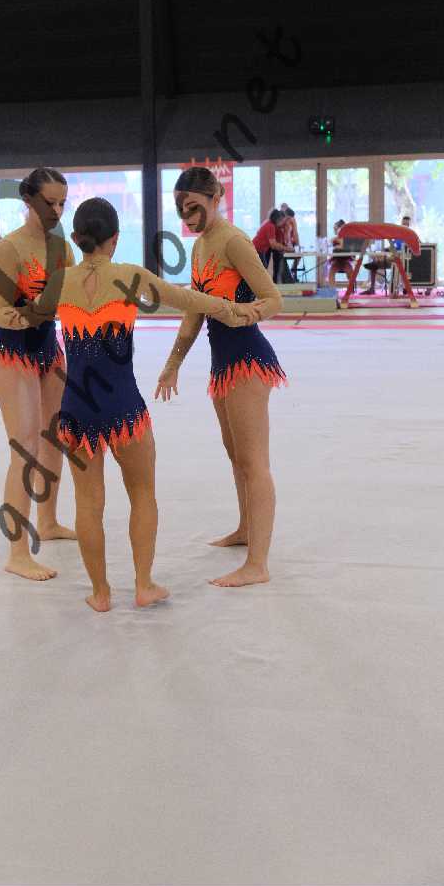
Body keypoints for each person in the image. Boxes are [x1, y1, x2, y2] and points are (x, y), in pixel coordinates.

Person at [26, 197, 261, 612]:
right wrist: (236, 309)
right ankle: (143, 584)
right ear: (115, 239)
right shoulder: (130, 276)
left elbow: (28, 316)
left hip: (77, 409)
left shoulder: (60, 282)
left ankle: (100, 593)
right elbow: (188, 299)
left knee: (88, 503)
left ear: (77, 238)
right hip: (123, 407)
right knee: (142, 494)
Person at [156, 167, 286, 588]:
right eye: (181, 209)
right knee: (236, 456)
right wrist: (174, 361)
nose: (188, 216)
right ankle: (246, 529)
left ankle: (258, 564)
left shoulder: (233, 241)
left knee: (254, 462)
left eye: (194, 207)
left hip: (247, 360)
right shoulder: (199, 247)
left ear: (216, 198)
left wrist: (245, 313)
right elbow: (194, 310)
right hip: (223, 364)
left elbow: (273, 299)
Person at [0, 168, 77, 581]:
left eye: (62, 203)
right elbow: (4, 314)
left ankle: (49, 520)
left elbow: (72, 298)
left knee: (55, 435)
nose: (56, 210)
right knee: (24, 446)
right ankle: (17, 552)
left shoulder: (62, 247)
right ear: (28, 201)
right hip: (12, 350)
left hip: (47, 347)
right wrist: (42, 308)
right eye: (48, 203)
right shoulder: (9, 249)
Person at [252, 209, 289, 283]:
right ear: (277, 219)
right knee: (262, 271)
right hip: (257, 249)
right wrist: (286, 248)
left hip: (260, 250)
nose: (282, 222)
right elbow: (273, 244)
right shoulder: (270, 226)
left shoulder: (271, 225)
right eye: (281, 220)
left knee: (263, 270)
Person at [327, 218, 358, 287]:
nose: (334, 231)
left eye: (335, 229)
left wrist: (340, 245)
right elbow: (329, 246)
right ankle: (332, 289)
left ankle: (351, 289)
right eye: (334, 229)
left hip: (346, 261)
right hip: (336, 261)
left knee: (350, 272)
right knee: (331, 272)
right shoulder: (334, 239)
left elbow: (351, 249)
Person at [278, 203, 300, 281]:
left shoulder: (291, 220)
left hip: (288, 244)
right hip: (280, 245)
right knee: (281, 256)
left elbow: (295, 234)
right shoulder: (279, 220)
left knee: (298, 255)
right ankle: (286, 277)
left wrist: (297, 245)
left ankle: (293, 272)